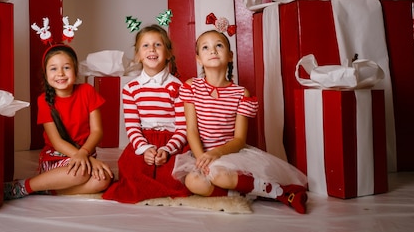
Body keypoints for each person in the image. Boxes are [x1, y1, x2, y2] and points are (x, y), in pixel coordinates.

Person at [172, 30, 309, 214]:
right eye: (205, 47)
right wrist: (201, 159)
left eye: (219, 45)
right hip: (200, 153)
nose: (212, 50)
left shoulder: (240, 94)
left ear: (230, 56)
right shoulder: (191, 87)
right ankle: (243, 194)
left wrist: (217, 153)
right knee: (193, 182)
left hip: (229, 153)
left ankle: (281, 193)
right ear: (198, 59)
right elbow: (192, 130)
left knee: (220, 175)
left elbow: (239, 140)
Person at [4, 44, 114, 199]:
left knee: (103, 180)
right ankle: (25, 186)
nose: (60, 73)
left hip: (84, 152)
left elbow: (97, 131)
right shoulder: (44, 100)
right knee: (80, 173)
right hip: (58, 156)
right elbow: (56, 142)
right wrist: (85, 157)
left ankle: (46, 188)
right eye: (53, 69)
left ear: (76, 70)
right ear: (45, 73)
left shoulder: (87, 91)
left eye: (66, 68)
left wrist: (85, 154)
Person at [102, 24, 191, 203]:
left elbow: (183, 128)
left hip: (172, 141)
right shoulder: (130, 89)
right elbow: (132, 126)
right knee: (130, 168)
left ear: (169, 53)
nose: (152, 49)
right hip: (144, 141)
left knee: (177, 174)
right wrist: (144, 148)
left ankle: (162, 186)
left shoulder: (179, 87)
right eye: (145, 45)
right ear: (138, 55)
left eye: (158, 45)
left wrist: (167, 149)